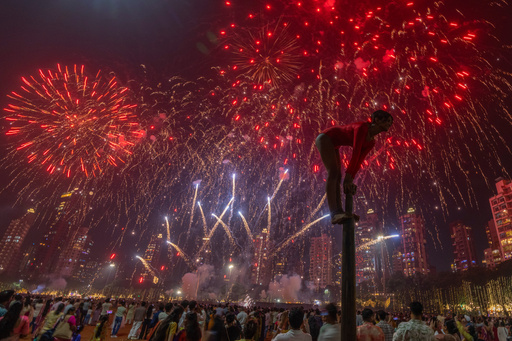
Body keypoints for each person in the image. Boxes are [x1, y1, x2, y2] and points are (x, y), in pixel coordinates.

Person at [316, 110, 393, 224]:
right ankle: (334, 213)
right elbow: (356, 152)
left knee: (338, 175)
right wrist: (348, 178)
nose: (389, 124)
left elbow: (359, 161)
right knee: (333, 173)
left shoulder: (371, 142)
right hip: (325, 138)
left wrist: (350, 178)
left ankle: (339, 212)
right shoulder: (362, 128)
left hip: (334, 143)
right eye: (387, 121)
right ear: (376, 120)